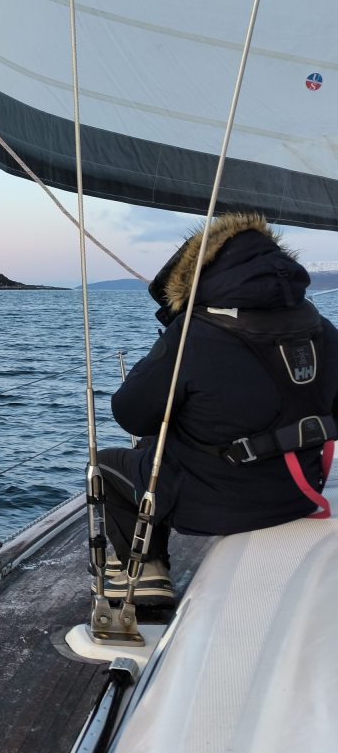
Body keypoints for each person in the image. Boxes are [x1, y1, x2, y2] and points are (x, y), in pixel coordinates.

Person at [97, 211, 338, 607]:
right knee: (152, 441)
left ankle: (146, 571)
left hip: (218, 508)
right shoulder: (320, 326)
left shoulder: (194, 333)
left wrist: (163, 351)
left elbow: (129, 413)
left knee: (106, 466)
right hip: (299, 493)